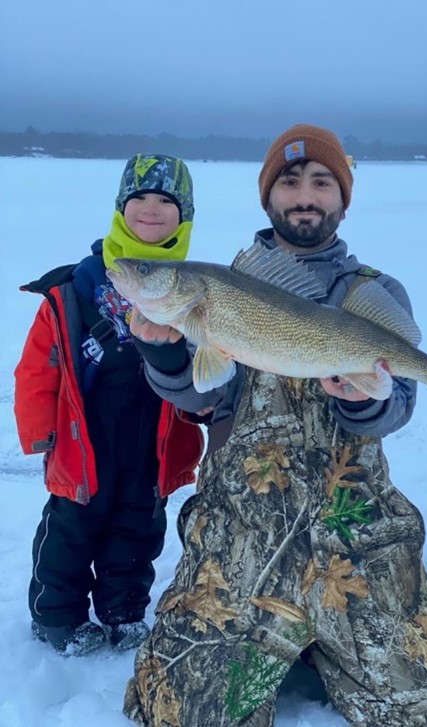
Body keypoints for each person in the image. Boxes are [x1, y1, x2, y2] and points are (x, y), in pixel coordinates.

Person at [123, 127, 427, 726]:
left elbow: (396, 407)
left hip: (352, 531)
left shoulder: (373, 292)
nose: (305, 196)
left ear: (343, 199)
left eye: (322, 182)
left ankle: (325, 640)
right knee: (189, 713)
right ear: (269, 198)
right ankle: (285, 635)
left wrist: (365, 400)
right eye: (289, 182)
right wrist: (164, 354)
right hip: (245, 529)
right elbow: (206, 396)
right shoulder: (231, 281)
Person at [14, 154, 204, 656]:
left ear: (183, 215)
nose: (151, 209)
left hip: (152, 436)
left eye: (166, 201)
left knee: (138, 528)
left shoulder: (196, 288)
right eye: (139, 197)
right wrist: (39, 431)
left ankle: (123, 613)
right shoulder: (77, 284)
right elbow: (38, 365)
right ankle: (57, 616)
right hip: (84, 435)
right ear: (121, 207)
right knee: (72, 528)